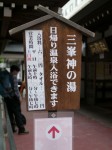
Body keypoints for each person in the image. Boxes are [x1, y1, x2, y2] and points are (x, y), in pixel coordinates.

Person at [0, 65, 29, 135]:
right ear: (14, 71)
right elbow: (15, 89)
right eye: (17, 72)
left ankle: (12, 128)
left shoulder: (5, 76)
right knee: (17, 113)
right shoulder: (13, 77)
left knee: (10, 114)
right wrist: (18, 97)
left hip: (6, 98)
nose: (17, 73)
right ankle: (21, 129)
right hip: (13, 98)